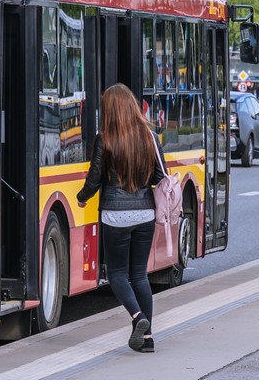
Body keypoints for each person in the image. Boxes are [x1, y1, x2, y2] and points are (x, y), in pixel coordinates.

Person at [77, 83, 165, 353]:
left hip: (115, 215)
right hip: (145, 213)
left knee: (116, 274)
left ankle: (138, 317)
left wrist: (82, 197)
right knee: (139, 275)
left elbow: (94, 179)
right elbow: (160, 176)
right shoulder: (149, 137)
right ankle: (147, 339)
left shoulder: (105, 138)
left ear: (109, 110)